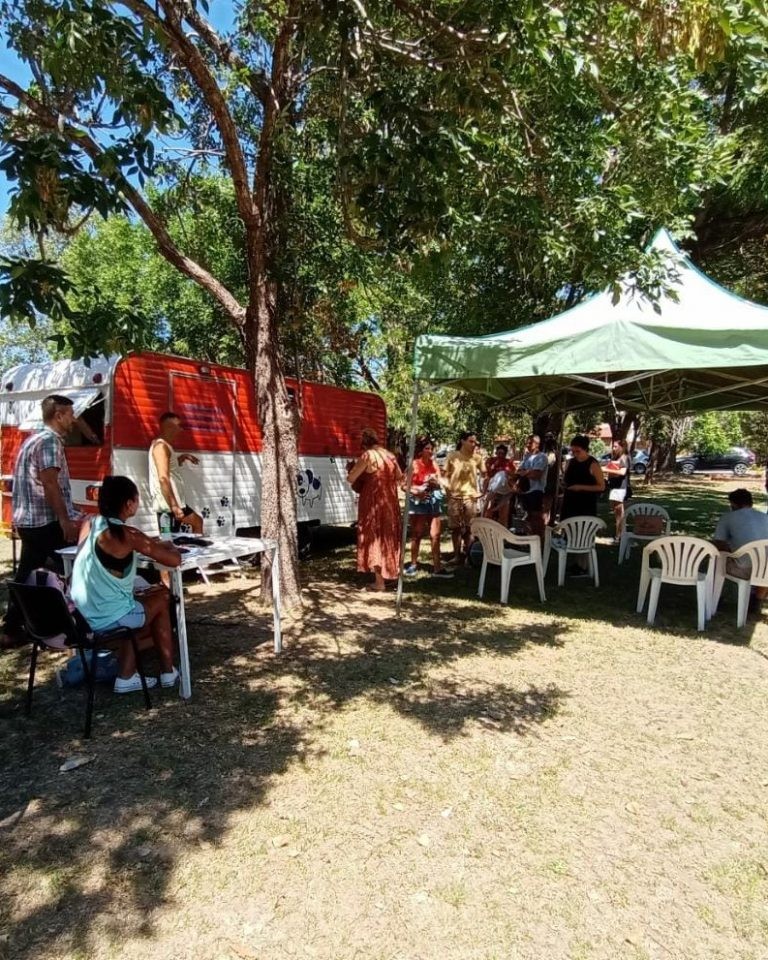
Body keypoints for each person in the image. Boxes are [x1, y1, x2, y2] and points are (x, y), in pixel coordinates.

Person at [70, 476, 183, 693]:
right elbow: (174, 561)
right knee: (162, 597)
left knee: (146, 597)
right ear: (129, 504)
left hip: (81, 615)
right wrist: (173, 547)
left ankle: (130, 671)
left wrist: (152, 542)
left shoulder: (90, 523)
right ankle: (163, 672)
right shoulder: (128, 535)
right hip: (108, 617)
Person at [3, 395, 82, 643]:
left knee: (26, 575)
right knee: (71, 569)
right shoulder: (49, 442)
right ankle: (72, 627)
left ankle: (11, 629)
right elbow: (49, 484)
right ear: (58, 415)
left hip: (29, 520)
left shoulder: (33, 439)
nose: (73, 419)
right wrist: (65, 520)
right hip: (45, 522)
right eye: (70, 414)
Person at [347, 427, 403, 591]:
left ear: (364, 443)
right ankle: (392, 574)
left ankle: (379, 583)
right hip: (390, 501)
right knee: (389, 536)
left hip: (373, 502)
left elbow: (351, 478)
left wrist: (351, 469)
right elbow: (399, 477)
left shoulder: (367, 456)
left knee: (375, 537)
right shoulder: (390, 456)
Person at [404, 437, 453, 579]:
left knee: (436, 535)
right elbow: (403, 485)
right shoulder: (414, 465)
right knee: (417, 534)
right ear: (420, 451)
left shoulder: (434, 464)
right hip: (418, 502)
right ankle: (413, 564)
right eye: (427, 448)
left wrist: (437, 483)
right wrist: (416, 491)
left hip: (432, 501)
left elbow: (440, 481)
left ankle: (437, 567)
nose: (430, 451)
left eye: (431, 448)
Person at [149, 412, 203, 534]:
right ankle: (196, 551)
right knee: (169, 539)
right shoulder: (160, 447)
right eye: (179, 426)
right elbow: (163, 478)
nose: (181, 429)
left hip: (173, 503)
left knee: (196, 523)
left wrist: (182, 457)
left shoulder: (165, 446)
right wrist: (173, 505)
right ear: (170, 427)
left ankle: (194, 551)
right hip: (166, 505)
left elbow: (169, 468)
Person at [561, 435, 606, 576]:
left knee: (584, 534)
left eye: (578, 451)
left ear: (585, 449)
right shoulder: (570, 463)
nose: (575, 454)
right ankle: (575, 563)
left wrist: (581, 487)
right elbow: (566, 480)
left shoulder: (593, 464)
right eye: (572, 451)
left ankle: (584, 565)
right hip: (570, 502)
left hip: (585, 503)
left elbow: (601, 487)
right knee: (572, 533)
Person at [713, 488, 768, 601]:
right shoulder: (765, 517)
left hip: (742, 568)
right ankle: (758, 599)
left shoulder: (727, 517)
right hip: (765, 569)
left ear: (732, 503)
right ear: (751, 502)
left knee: (718, 559)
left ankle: (715, 595)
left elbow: (719, 544)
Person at [444, 431, 484, 564]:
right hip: (455, 497)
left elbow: (486, 474)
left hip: (471, 497)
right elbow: (445, 476)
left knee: (470, 528)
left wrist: (483, 491)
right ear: (463, 441)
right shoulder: (452, 456)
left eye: (475, 442)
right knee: (455, 528)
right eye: (471, 441)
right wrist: (448, 493)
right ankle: (456, 555)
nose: (474, 444)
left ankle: (469, 556)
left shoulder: (477, 458)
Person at [515, 433, 549, 540]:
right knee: (528, 516)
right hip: (525, 491)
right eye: (527, 443)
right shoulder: (527, 457)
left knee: (537, 517)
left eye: (530, 443)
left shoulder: (542, 457)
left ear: (537, 444)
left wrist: (524, 472)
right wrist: (527, 471)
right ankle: (531, 539)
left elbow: (536, 475)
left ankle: (540, 539)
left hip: (536, 491)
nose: (528, 445)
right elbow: (518, 471)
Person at [604, 439, 632, 540]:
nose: (613, 448)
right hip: (614, 486)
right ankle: (619, 533)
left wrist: (606, 469)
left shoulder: (624, 458)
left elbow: (622, 472)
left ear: (622, 447)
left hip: (620, 488)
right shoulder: (617, 457)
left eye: (615, 446)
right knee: (616, 511)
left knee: (619, 512)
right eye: (613, 446)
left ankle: (619, 535)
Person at [482, 443, 514, 527]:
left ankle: (503, 531)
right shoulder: (490, 460)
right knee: (489, 511)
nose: (500, 455)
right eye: (498, 453)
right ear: (496, 453)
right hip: (492, 489)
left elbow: (512, 475)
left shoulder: (508, 463)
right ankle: (486, 527)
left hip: (504, 490)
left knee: (503, 513)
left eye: (502, 453)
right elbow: (486, 476)